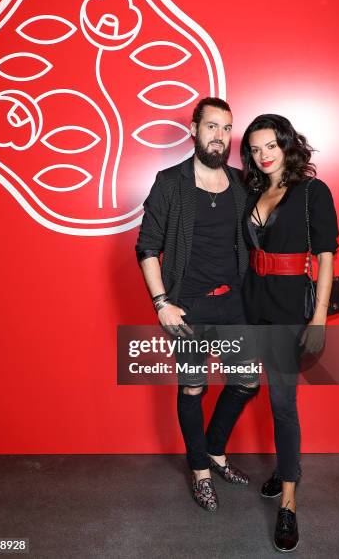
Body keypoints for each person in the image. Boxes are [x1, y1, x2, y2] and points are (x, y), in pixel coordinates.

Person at [136, 97, 259, 512]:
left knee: (246, 381)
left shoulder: (244, 183)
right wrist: (161, 304)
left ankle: (215, 451)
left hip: (236, 304)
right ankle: (200, 471)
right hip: (188, 306)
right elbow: (147, 248)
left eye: (226, 128)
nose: (219, 136)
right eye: (211, 127)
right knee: (193, 386)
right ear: (193, 130)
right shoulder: (170, 183)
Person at [240, 114, 339, 552]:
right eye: (256, 148)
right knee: (259, 391)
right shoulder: (253, 190)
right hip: (251, 302)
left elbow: (325, 256)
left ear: (286, 145)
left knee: (282, 402)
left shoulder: (312, 192)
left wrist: (317, 317)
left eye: (271, 146)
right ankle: (283, 467)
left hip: (288, 309)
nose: (263, 155)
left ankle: (289, 502)